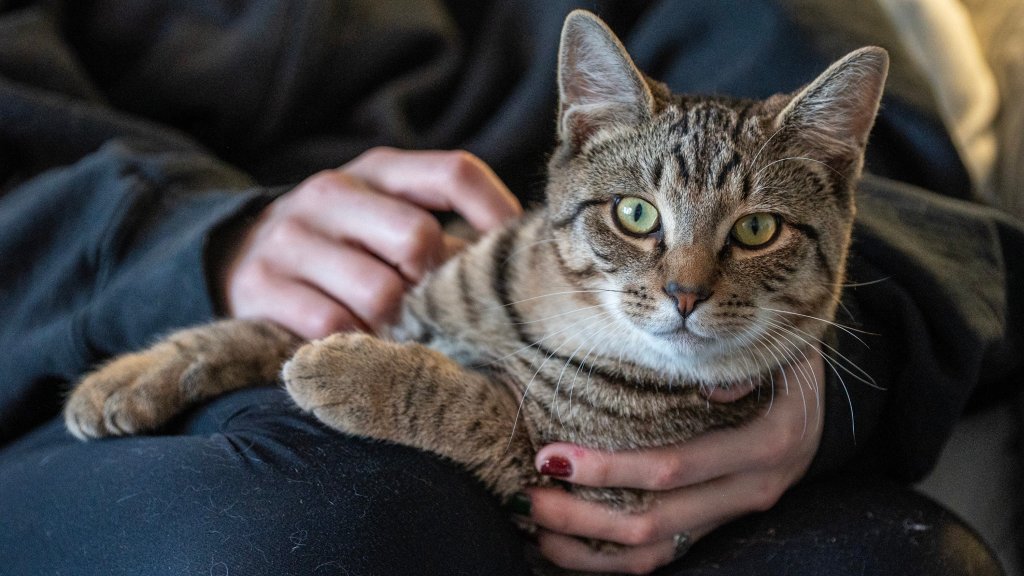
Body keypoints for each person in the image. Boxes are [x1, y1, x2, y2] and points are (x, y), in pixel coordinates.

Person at [0, 1, 1020, 574]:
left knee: (898, 567)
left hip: (663, 354)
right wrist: (188, 237)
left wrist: (823, 366)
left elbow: (917, 204)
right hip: (125, 316)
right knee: (341, 526)